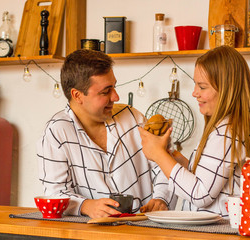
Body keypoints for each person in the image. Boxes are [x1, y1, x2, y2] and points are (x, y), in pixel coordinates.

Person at [37, 49, 176, 219]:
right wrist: (86, 205)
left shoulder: (133, 117)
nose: (116, 97)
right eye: (105, 92)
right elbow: (55, 193)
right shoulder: (56, 132)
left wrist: (161, 198)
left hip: (146, 229)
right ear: (77, 95)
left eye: (114, 87)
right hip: (90, 235)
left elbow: (163, 167)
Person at [138, 46, 250, 217]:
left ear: (227, 90)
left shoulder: (226, 132)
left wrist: (159, 155)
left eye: (202, 87)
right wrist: (176, 159)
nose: (194, 93)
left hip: (218, 232)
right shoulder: (229, 128)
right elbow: (210, 178)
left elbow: (201, 193)